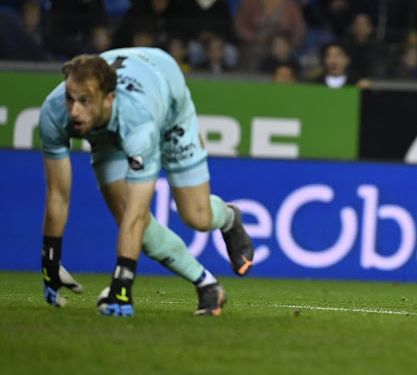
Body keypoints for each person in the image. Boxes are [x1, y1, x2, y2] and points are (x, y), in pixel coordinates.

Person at [39, 47, 255, 317]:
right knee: (132, 223)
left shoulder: (138, 123)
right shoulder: (53, 112)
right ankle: (207, 285)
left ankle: (229, 217)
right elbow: (58, 195)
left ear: (109, 99)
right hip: (109, 125)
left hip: (166, 101)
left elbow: (137, 214)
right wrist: (50, 261)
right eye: (70, 99)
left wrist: (122, 284)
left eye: (84, 101)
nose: (74, 111)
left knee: (196, 217)